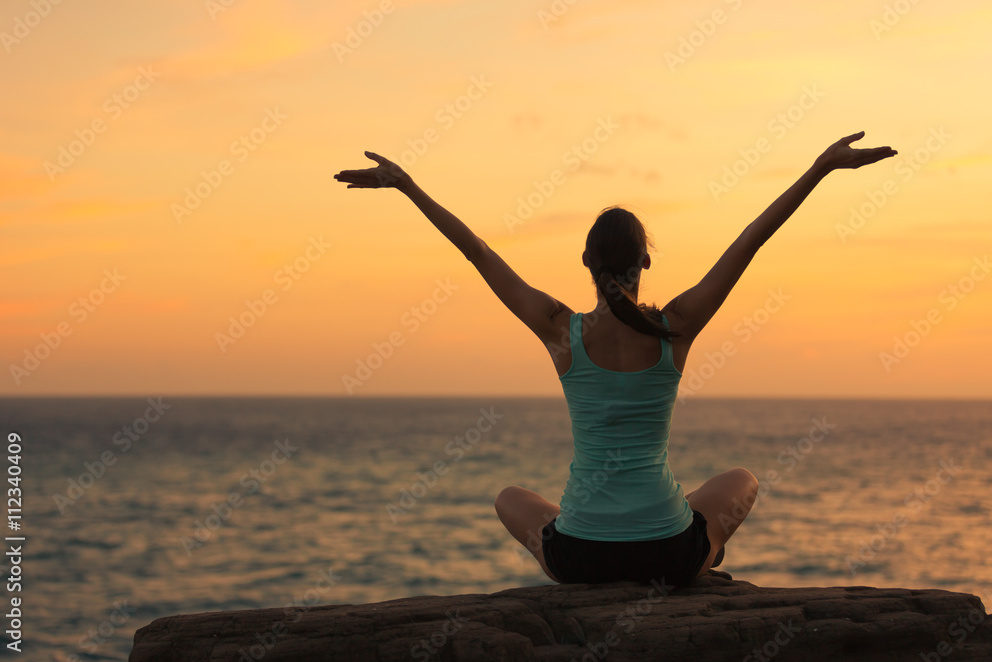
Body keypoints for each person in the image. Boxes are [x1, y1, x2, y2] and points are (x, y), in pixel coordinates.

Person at [334, 131, 896, 586]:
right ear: (645, 261)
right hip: (671, 558)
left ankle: (597, 532)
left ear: (585, 261)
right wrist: (820, 168)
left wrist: (407, 185)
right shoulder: (675, 328)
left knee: (509, 498)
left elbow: (477, 251)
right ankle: (706, 557)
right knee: (742, 479)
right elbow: (752, 239)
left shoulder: (561, 332)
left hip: (581, 561)